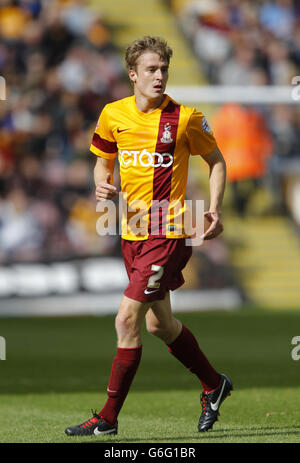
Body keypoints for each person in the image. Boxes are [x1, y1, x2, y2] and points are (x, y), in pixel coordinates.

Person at [65, 36, 232, 437]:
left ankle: (107, 418)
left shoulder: (186, 118)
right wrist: (102, 184)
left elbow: (216, 161)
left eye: (164, 70)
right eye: (152, 70)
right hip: (131, 231)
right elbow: (102, 163)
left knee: (126, 318)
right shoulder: (112, 114)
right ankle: (214, 384)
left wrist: (213, 207)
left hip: (169, 229)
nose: (159, 76)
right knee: (160, 325)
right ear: (133, 74)